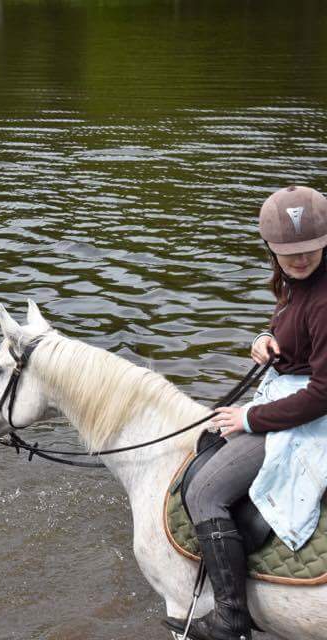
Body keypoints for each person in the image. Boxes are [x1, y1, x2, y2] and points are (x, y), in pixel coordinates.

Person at [164, 185, 327, 640]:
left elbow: (323, 393)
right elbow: (293, 327)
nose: (299, 259)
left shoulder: (324, 298)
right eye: (288, 253)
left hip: (310, 415)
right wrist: (265, 339)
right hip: (287, 394)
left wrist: (250, 419)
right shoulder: (299, 283)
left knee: (205, 494)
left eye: (310, 249)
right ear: (272, 249)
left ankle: (231, 619)